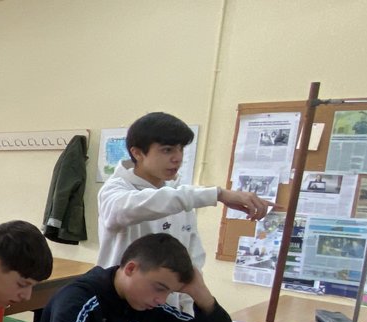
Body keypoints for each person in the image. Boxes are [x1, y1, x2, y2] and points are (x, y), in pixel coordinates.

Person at [98, 112, 271, 289]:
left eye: (181, 149)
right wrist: (217, 194)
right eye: (167, 150)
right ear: (137, 153)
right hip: (119, 303)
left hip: (167, 305)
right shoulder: (115, 190)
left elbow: (191, 257)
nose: (177, 158)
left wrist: (188, 306)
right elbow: (134, 207)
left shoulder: (179, 194)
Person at [31, 233, 238, 322]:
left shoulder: (148, 303)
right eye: (159, 288)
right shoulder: (80, 295)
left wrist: (200, 292)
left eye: (169, 292)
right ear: (131, 268)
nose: (162, 300)